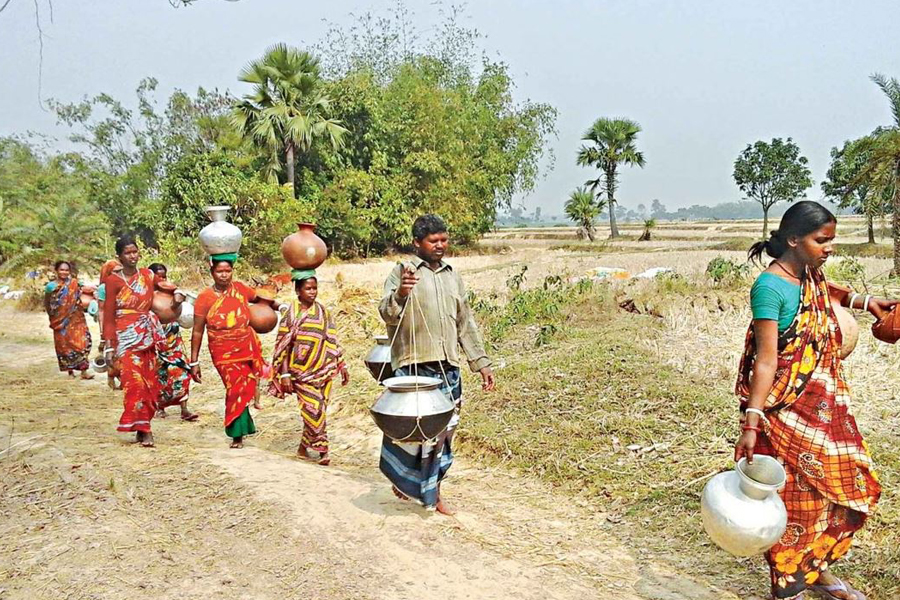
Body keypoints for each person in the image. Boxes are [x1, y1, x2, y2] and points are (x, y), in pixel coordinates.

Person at [734, 201, 896, 600]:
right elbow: (767, 359)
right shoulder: (769, 288)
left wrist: (867, 303)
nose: (829, 248)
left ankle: (817, 570)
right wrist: (752, 421)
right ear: (793, 239)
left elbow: (834, 292)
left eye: (831, 240)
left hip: (825, 411)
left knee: (855, 488)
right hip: (783, 414)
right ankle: (788, 586)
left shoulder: (809, 274)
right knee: (797, 505)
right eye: (821, 240)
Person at [378, 214, 495, 515]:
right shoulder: (402, 272)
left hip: (448, 365)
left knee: (444, 432)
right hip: (414, 364)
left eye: (444, 239)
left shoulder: (452, 275)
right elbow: (387, 313)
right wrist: (402, 293)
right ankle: (406, 480)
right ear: (417, 243)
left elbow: (464, 323)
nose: (440, 245)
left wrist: (480, 362)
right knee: (413, 433)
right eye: (434, 241)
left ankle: (434, 490)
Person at [268, 271, 349, 466]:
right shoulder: (291, 313)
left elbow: (331, 339)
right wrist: (285, 374)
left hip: (323, 369)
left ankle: (303, 448)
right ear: (298, 290)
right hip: (300, 373)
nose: (312, 292)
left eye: (315, 288)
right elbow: (283, 345)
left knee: (317, 409)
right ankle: (323, 450)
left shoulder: (323, 311)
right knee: (315, 409)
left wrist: (342, 365)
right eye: (308, 288)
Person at [189, 256, 264, 449]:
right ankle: (237, 433)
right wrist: (194, 361)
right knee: (235, 386)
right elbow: (197, 330)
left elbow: (258, 298)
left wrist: (277, 306)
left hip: (245, 345)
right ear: (212, 272)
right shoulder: (204, 298)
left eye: (228, 271)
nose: (224, 275)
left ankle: (241, 428)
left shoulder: (239, 289)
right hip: (222, 350)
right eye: (220, 271)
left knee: (245, 384)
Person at [102, 236, 164, 448]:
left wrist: (178, 299)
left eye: (135, 251)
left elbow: (164, 291)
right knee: (134, 383)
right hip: (125, 337)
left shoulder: (148, 275)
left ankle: (141, 424)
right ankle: (145, 430)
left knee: (150, 383)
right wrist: (109, 346)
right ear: (119, 256)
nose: (132, 256)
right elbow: (108, 315)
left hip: (147, 336)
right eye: (127, 253)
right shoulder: (113, 281)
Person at [147, 263, 197, 422]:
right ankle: (159, 406)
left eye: (164, 276)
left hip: (174, 342)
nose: (162, 279)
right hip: (155, 344)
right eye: (158, 276)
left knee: (182, 374)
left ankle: (184, 409)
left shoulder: (175, 294)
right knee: (160, 376)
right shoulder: (148, 296)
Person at [44, 260, 93, 379]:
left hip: (76, 319)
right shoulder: (51, 286)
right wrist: (53, 316)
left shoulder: (74, 283)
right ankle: (70, 372)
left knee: (83, 342)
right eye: (62, 270)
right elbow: (47, 302)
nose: (64, 272)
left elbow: (86, 291)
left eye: (66, 270)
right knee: (64, 345)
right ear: (56, 271)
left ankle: (83, 371)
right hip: (60, 321)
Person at [96, 259, 124, 390]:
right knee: (112, 352)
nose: (119, 274)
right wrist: (103, 331)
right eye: (116, 271)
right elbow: (101, 310)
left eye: (120, 271)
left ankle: (125, 379)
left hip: (125, 322)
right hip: (112, 323)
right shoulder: (103, 288)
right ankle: (111, 377)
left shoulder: (126, 284)